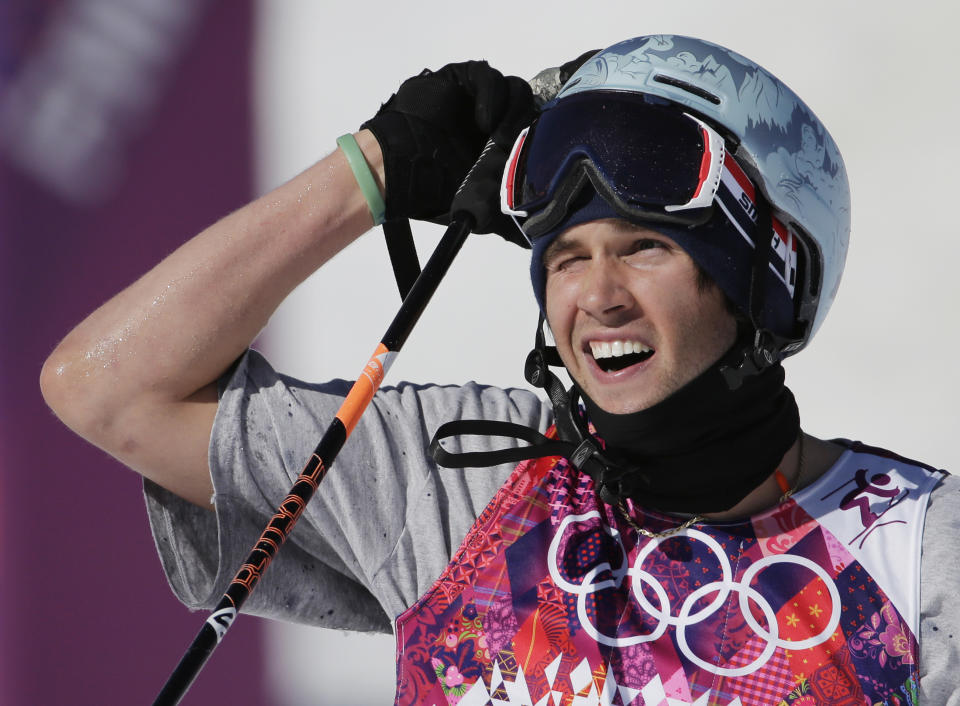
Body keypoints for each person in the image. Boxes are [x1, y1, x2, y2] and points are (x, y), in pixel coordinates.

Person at [40, 35, 959, 705]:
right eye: (565, 258)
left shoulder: (919, 549)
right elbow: (106, 389)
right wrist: (372, 175)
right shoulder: (459, 483)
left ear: (762, 285)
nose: (596, 297)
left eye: (644, 248)